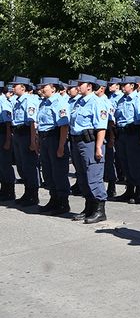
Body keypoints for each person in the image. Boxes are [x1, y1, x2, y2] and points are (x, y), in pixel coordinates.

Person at [70, 74, 110, 224]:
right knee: (82, 176)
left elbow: (101, 127)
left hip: (90, 143)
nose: (78, 86)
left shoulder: (96, 102)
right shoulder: (79, 102)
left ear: (89, 86)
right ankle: (89, 207)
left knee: (93, 176)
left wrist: (99, 147)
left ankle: (100, 210)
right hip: (77, 142)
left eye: (81, 83)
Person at [36, 77, 71, 215]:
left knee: (58, 172)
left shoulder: (59, 102)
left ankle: (63, 202)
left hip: (55, 138)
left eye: (44, 86)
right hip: (45, 139)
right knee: (48, 171)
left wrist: (61, 146)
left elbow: (63, 126)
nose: (41, 89)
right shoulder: (44, 103)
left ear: (53, 88)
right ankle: (54, 199)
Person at [113, 76, 140, 204]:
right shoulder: (121, 100)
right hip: (122, 134)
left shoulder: (139, 99)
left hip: (134, 134)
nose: (123, 87)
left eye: (125, 85)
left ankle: (139, 192)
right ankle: (129, 190)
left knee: (135, 164)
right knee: (125, 163)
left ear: (132, 86)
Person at [9, 76, 41, 206]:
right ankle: (27, 192)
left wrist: (33, 141)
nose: (12, 88)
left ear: (22, 87)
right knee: (22, 166)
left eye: (15, 85)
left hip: (26, 134)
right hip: (18, 134)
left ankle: (33, 194)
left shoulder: (29, 100)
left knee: (29, 166)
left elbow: (32, 122)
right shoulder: (17, 101)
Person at [0, 81, 15, 201]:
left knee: (5, 163)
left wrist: (8, 140)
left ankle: (9, 191)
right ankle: (3, 189)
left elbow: (8, 123)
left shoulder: (3, 101)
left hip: (3, 134)